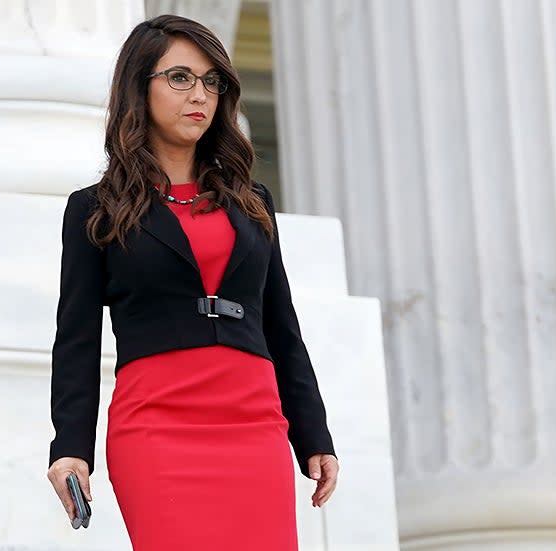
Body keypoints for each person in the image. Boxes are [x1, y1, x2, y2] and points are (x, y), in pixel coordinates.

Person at [46, 14, 338, 549]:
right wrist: (70, 446)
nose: (198, 94)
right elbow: (77, 338)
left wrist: (313, 435)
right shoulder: (94, 210)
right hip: (155, 426)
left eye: (212, 81)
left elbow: (282, 327)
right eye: (180, 77)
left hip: (254, 422)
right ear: (140, 87)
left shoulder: (253, 205)